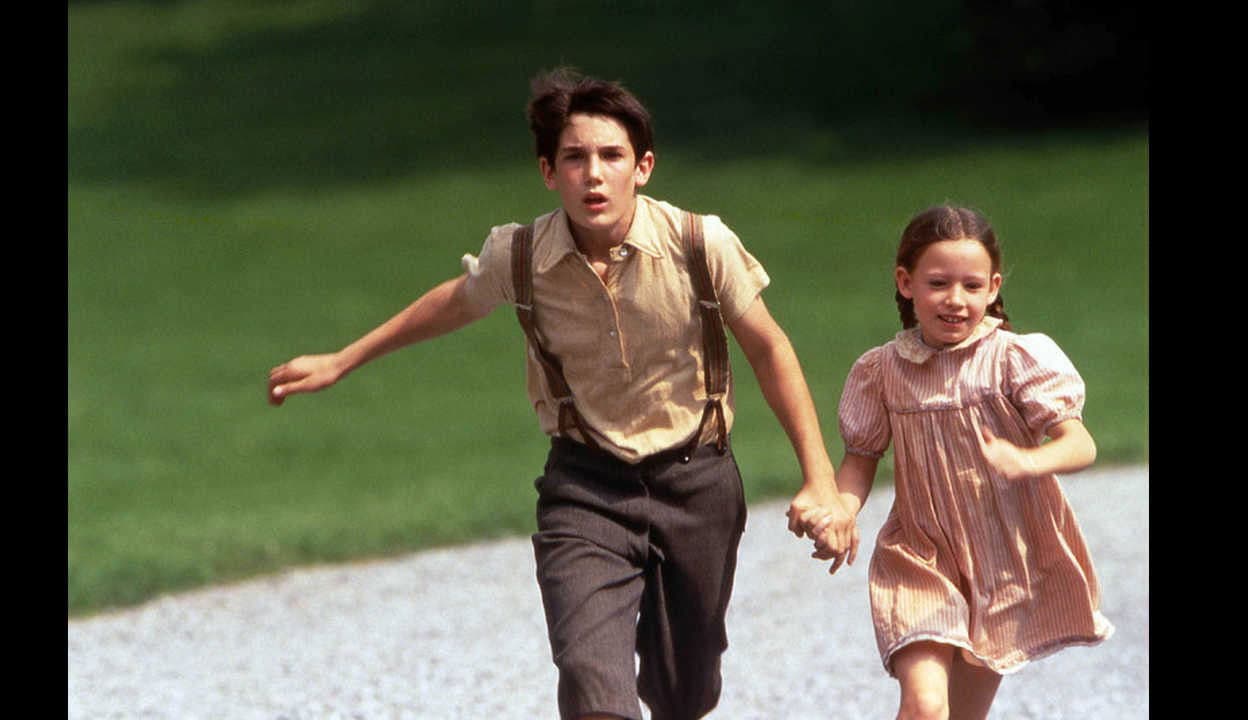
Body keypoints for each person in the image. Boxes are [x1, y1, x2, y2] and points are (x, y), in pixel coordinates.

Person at [266, 67, 854, 720]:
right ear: (549, 172)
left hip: (698, 481)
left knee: (685, 690)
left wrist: (819, 480)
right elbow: (454, 302)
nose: (593, 175)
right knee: (590, 677)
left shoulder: (697, 243)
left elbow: (769, 349)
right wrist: (343, 359)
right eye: (574, 158)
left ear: (644, 167)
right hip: (585, 486)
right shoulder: (520, 257)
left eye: (611, 156)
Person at [801, 205, 1114, 720]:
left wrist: (1027, 460)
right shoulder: (882, 371)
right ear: (906, 283)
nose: (955, 299)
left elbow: (1080, 444)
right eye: (938, 283)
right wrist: (841, 513)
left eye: (971, 285)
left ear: (993, 288)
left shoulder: (1014, 359)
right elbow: (860, 460)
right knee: (925, 706)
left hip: (1000, 563)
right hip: (918, 555)